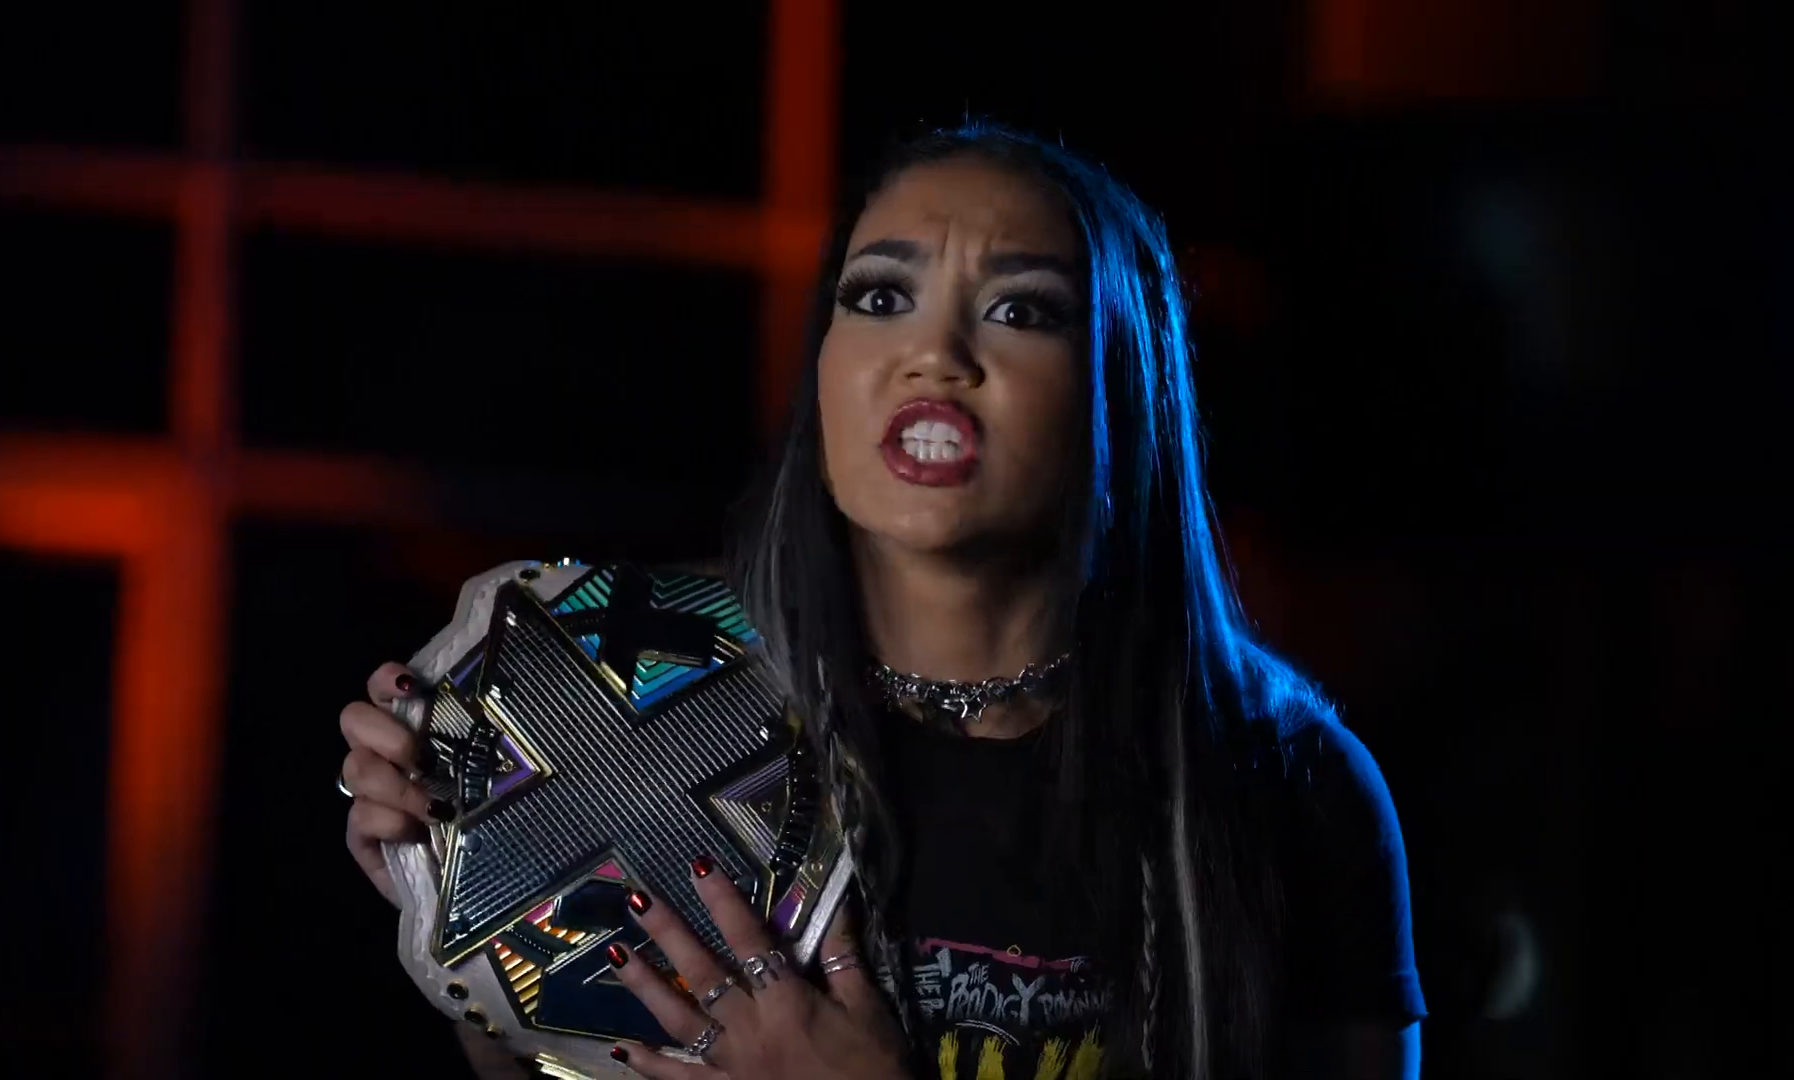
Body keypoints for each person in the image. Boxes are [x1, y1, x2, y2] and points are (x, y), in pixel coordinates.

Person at [338, 123, 1424, 1079]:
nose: (934, 356)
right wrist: (463, 901)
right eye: (881, 297)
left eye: (1019, 309)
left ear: (1123, 385)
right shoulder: (664, 691)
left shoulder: (1286, 782)